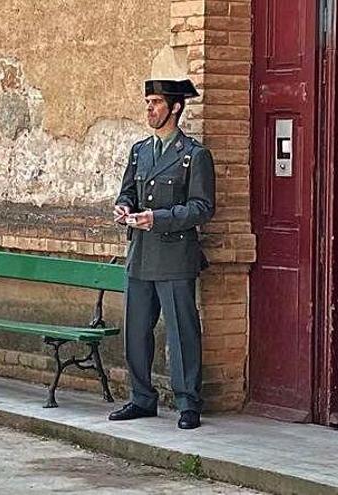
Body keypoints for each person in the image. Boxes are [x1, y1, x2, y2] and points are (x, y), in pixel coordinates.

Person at [108, 78, 215, 430]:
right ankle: (141, 398)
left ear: (175, 107)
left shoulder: (194, 155)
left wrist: (159, 218)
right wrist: (123, 207)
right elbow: (127, 192)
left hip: (174, 257)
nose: (149, 109)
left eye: (155, 102)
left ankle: (188, 404)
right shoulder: (139, 151)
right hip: (140, 254)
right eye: (147, 102)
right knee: (136, 331)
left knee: (182, 333)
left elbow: (202, 208)